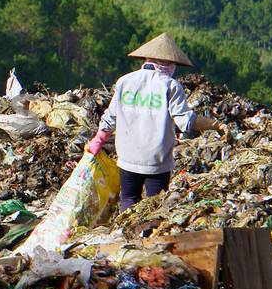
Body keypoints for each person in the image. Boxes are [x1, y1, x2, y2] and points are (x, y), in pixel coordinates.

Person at [87, 33, 216, 210]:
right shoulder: (169, 86)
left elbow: (111, 116)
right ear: (169, 64)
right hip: (157, 161)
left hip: (127, 156)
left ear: (148, 58)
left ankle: (128, 235)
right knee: (154, 207)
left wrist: (98, 140)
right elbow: (185, 121)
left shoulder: (125, 81)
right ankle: (146, 236)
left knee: (128, 200)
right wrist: (215, 125)